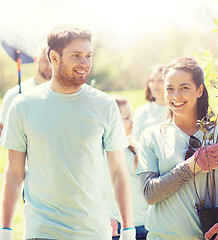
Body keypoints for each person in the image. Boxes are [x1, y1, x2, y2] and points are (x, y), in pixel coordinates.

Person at [0, 25, 135, 240]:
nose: (85, 63)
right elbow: (14, 172)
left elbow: (118, 172)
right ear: (54, 57)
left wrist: (129, 229)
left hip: (93, 232)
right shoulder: (22, 105)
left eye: (88, 56)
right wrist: (5, 230)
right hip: (42, 230)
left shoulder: (105, 105)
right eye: (76, 56)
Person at [136, 57, 218, 240]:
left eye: (184, 88)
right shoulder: (151, 136)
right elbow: (150, 194)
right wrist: (192, 166)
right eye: (169, 89)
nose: (176, 96)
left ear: (199, 90)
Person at [109, 96, 148, 240]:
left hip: (143, 225)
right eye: (126, 118)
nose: (132, 122)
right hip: (116, 227)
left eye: (130, 117)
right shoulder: (102, 152)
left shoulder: (138, 148)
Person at [0, 42, 52, 137]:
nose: (49, 66)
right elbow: (2, 130)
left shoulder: (64, 94)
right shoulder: (14, 94)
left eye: (52, 60)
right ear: (36, 59)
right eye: (45, 60)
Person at [132, 63, 168, 141]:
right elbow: (135, 141)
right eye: (152, 80)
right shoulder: (141, 112)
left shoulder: (177, 110)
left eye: (161, 80)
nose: (155, 84)